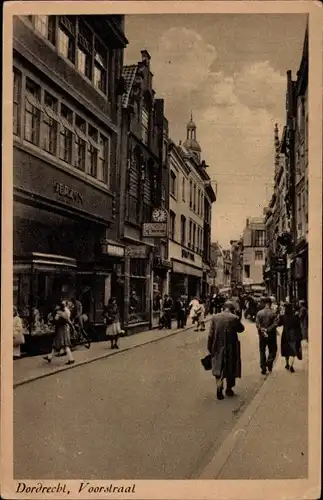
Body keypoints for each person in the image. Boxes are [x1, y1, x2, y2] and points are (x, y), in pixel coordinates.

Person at [207, 301, 245, 400]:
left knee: (218, 367)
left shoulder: (215, 317)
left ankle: (219, 387)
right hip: (230, 346)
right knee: (230, 367)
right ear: (232, 309)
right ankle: (229, 388)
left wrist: (209, 347)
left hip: (217, 346)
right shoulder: (234, 318)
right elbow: (241, 329)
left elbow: (211, 334)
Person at [278, 303, 303, 372]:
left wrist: (280, 316)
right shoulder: (295, 317)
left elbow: (279, 324)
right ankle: (291, 365)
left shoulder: (283, 317)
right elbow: (298, 327)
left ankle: (287, 364)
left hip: (285, 335)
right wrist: (300, 337)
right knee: (293, 351)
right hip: (293, 336)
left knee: (286, 350)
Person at [255, 297, 278, 375]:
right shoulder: (273, 313)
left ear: (264, 304)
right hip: (271, 335)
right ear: (270, 303)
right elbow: (275, 324)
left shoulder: (259, 313)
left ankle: (263, 368)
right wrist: (268, 330)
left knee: (262, 351)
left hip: (262, 336)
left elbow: (257, 324)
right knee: (273, 350)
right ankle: (269, 362)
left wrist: (262, 330)